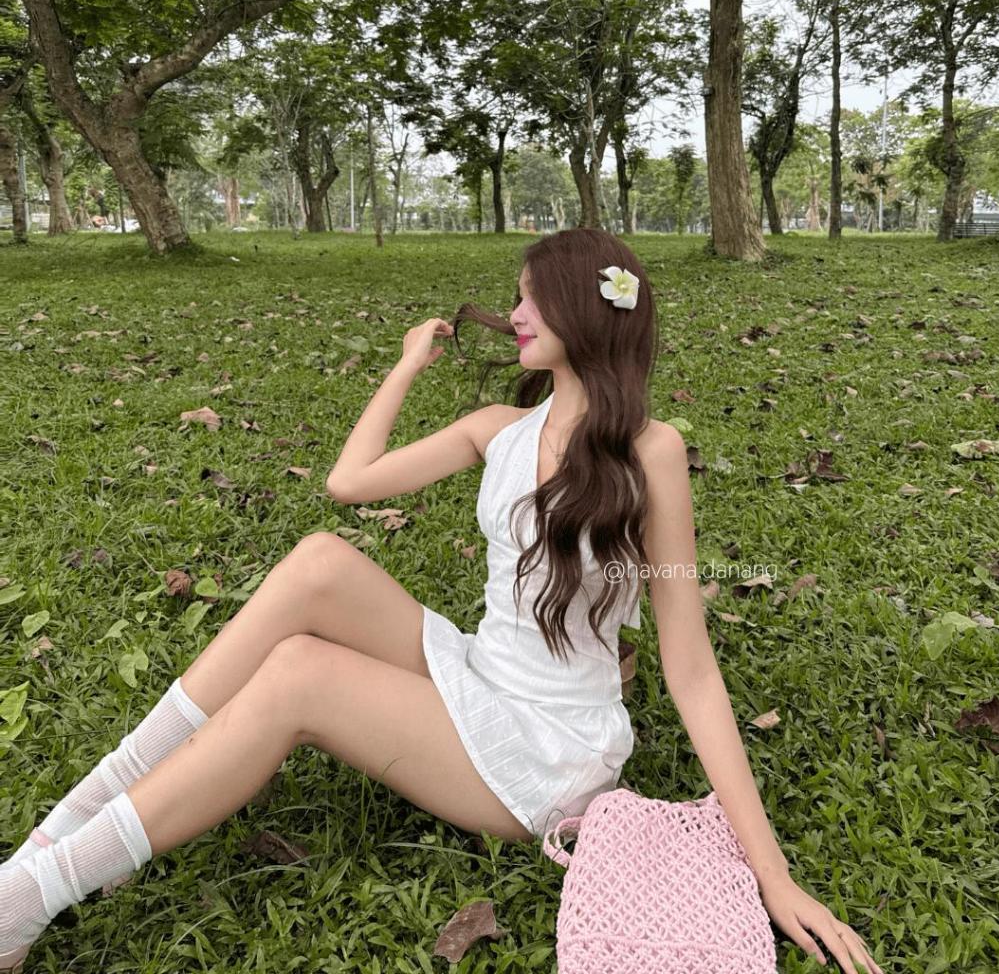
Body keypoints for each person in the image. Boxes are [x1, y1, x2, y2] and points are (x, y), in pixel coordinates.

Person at [1, 228, 882, 974]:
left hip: (547, 749)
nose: (516, 314)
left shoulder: (650, 454)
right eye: (516, 299)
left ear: (584, 311)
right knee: (319, 560)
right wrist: (405, 366)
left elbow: (690, 672)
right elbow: (349, 483)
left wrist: (773, 876)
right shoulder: (500, 430)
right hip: (478, 672)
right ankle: (68, 826)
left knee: (300, 674)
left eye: (532, 299)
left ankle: (28, 897)